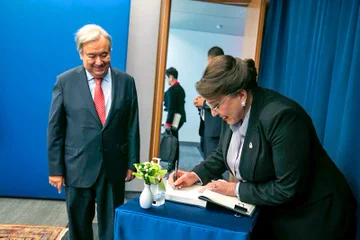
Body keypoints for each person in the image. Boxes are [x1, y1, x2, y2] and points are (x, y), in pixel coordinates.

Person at [169, 55, 356, 239]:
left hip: (316, 216)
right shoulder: (234, 112)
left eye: (216, 105)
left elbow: (287, 188)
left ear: (241, 95)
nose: (215, 113)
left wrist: (234, 189)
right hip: (279, 212)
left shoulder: (281, 118)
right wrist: (195, 175)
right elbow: (223, 154)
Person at [47, 24, 140, 240]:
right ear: (81, 54)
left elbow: (132, 125)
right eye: (92, 56)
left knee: (112, 225)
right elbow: (55, 128)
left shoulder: (126, 82)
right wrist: (55, 169)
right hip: (77, 166)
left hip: (113, 166)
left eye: (104, 54)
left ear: (110, 52)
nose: (99, 61)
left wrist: (131, 163)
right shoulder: (65, 82)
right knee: (78, 226)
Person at [194, 46, 224, 158]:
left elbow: (222, 101)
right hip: (207, 125)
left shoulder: (222, 78)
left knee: (212, 162)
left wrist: (204, 103)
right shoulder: (210, 77)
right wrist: (199, 103)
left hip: (216, 128)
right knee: (206, 158)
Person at [163, 67, 186, 171]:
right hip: (179, 117)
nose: (167, 80)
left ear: (171, 77)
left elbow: (172, 107)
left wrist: (168, 123)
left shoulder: (172, 90)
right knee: (175, 140)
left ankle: (172, 163)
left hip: (175, 118)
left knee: (173, 140)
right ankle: (174, 163)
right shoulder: (180, 89)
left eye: (167, 78)